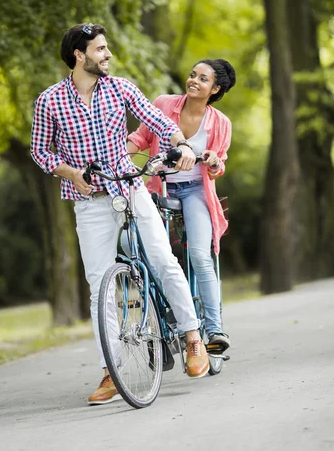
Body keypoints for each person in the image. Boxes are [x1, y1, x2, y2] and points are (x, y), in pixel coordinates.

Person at [31, 23, 211, 406]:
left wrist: (180, 145)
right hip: (90, 200)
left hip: (129, 188)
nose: (107, 54)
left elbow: (159, 122)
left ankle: (193, 338)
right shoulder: (50, 101)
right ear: (79, 55)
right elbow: (41, 152)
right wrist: (70, 172)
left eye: (107, 48)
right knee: (100, 287)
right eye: (100, 49)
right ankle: (111, 369)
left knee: (163, 260)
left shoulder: (121, 88)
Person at [127, 58, 236, 352]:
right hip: (158, 188)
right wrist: (117, 154)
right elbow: (140, 138)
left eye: (203, 79)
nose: (193, 81)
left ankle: (214, 331)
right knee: (156, 260)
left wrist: (213, 162)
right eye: (192, 75)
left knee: (200, 256)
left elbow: (218, 165)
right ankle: (165, 323)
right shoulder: (163, 104)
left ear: (215, 88)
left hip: (196, 191)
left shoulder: (220, 123)